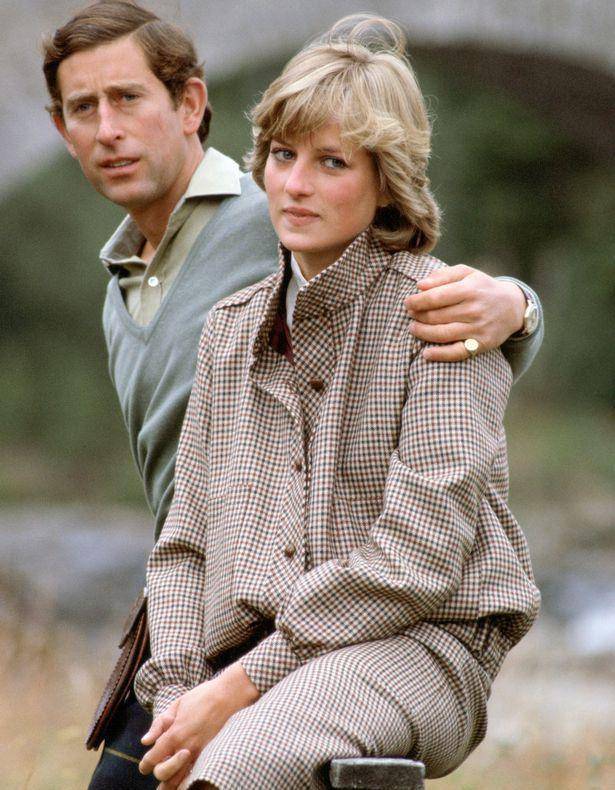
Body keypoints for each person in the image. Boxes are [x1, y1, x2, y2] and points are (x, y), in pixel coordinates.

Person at [41, 2, 543, 788]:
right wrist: (178, 691)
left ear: (384, 180)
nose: (296, 185)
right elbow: (181, 544)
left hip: (419, 640)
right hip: (243, 630)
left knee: (233, 767)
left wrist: (517, 303)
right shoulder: (224, 324)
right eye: (281, 156)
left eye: (332, 163)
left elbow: (416, 559)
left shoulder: (439, 317)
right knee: (146, 773)